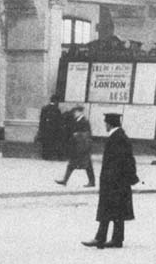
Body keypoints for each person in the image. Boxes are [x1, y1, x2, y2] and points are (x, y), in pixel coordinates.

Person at [82, 112, 138, 249]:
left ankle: (101, 238)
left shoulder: (116, 138)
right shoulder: (119, 136)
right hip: (119, 181)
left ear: (109, 123)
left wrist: (110, 179)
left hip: (114, 181)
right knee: (116, 211)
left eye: (105, 123)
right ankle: (115, 240)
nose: (105, 125)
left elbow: (119, 161)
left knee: (108, 209)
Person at [56, 106, 95, 187]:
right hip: (78, 146)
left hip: (81, 146)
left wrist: (77, 135)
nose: (74, 113)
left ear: (80, 112)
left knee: (86, 165)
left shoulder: (84, 121)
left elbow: (87, 134)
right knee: (74, 164)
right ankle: (65, 180)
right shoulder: (78, 120)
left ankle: (92, 182)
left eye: (76, 112)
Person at [37, 95, 65, 160]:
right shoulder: (57, 109)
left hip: (45, 130)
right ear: (56, 101)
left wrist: (41, 129)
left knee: (45, 143)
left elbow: (41, 120)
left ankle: (45, 156)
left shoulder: (44, 108)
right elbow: (59, 121)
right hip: (54, 130)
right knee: (53, 143)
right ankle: (52, 156)